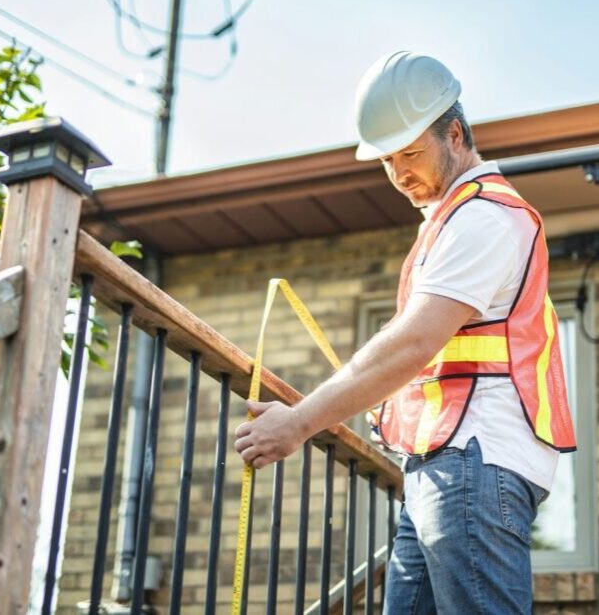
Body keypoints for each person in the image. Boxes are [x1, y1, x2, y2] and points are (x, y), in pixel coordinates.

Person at [234, 51, 576, 613]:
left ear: (456, 134)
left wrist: (298, 423)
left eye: (411, 153)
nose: (398, 174)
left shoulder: (483, 218)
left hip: (473, 460)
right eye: (387, 160)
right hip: (447, 465)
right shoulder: (453, 221)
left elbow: (413, 344)